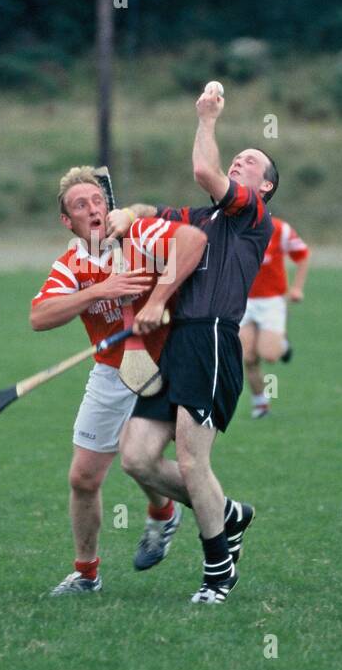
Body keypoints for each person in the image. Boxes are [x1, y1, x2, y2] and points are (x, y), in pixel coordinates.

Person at [106, 84, 275, 604]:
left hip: (213, 341)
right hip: (176, 342)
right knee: (135, 457)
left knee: (193, 461)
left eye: (252, 162)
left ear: (263, 187)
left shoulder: (251, 217)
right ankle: (225, 514)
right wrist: (124, 217)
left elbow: (206, 172)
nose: (242, 160)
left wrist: (206, 119)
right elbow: (152, 212)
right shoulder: (198, 219)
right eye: (239, 157)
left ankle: (218, 572)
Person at [30, 167, 208, 596]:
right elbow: (39, 317)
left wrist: (160, 296)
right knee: (83, 479)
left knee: (140, 458)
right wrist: (98, 290)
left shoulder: (139, 236)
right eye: (80, 205)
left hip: (163, 367)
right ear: (67, 222)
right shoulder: (72, 264)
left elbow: (194, 242)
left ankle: (213, 531)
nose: (92, 209)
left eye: (96, 200)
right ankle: (88, 574)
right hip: (111, 374)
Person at [241, 217, 309, 419]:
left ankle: (282, 345)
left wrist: (297, 288)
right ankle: (261, 405)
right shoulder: (235, 226)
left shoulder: (281, 230)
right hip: (243, 300)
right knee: (248, 357)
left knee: (269, 356)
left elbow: (302, 255)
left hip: (271, 301)